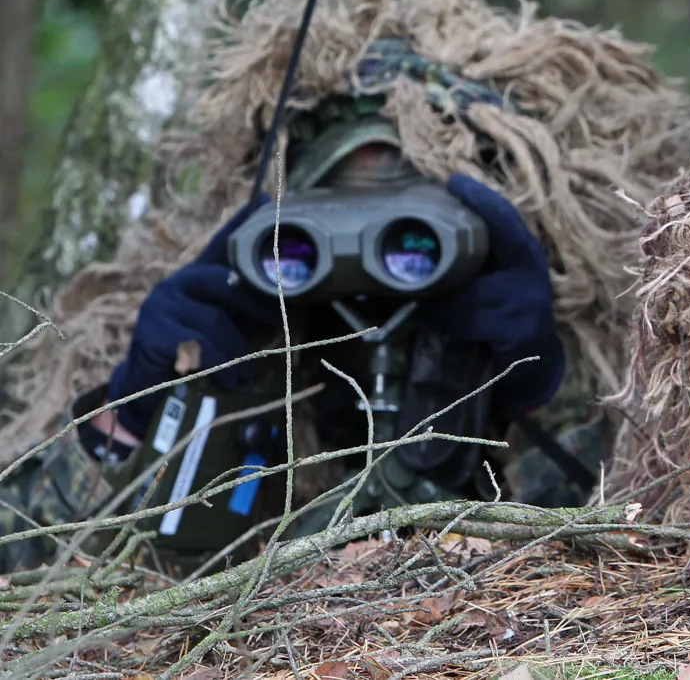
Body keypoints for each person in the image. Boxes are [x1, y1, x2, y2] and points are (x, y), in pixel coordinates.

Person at [0, 41, 607, 576]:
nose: (368, 267)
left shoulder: (562, 348)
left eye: (411, 238)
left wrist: (535, 399)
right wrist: (139, 416)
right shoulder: (246, 348)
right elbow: (27, 564)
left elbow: (638, 527)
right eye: (321, 233)